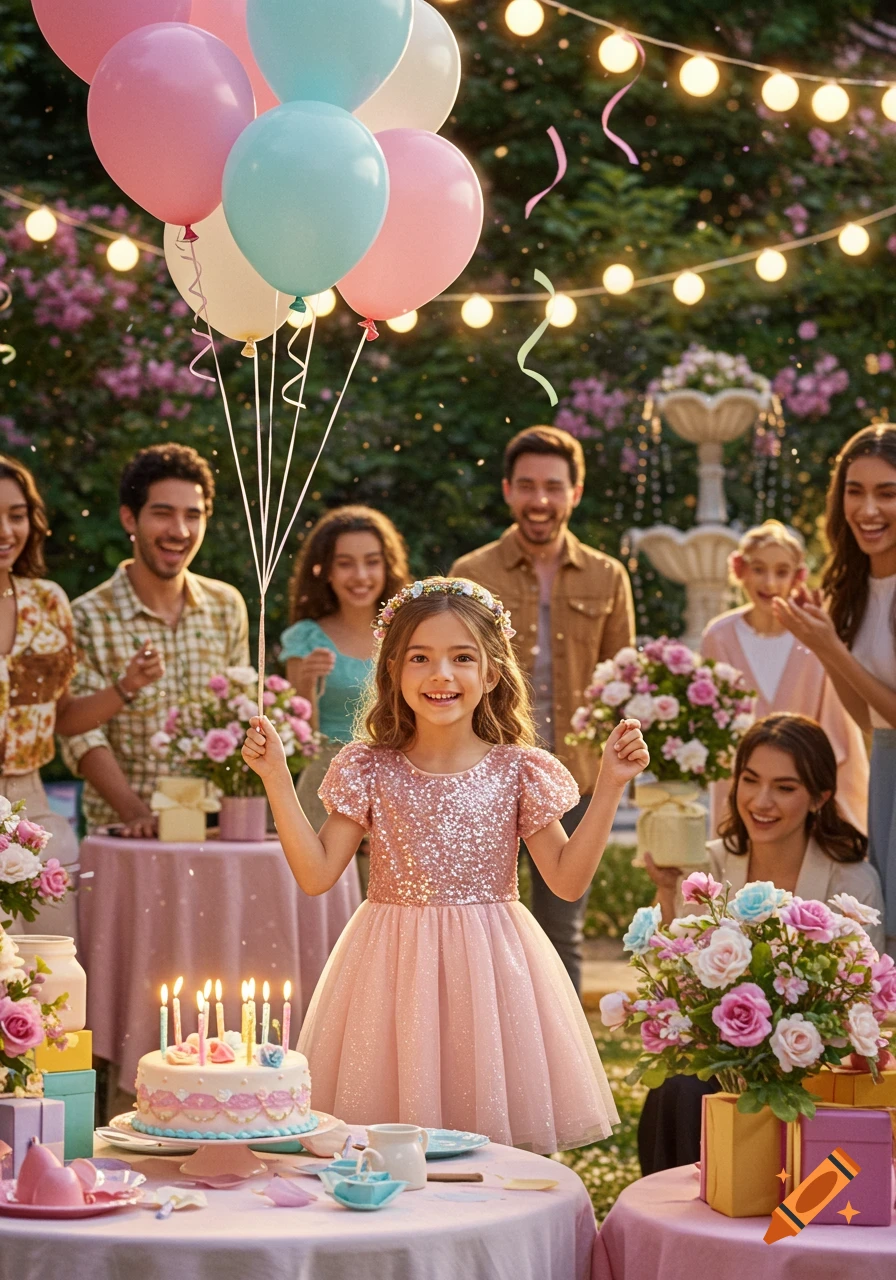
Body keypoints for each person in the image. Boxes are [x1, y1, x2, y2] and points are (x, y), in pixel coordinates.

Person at [242, 577, 649, 1153]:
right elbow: (315, 875)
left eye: (462, 657)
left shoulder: (519, 770)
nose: (441, 675)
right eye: (420, 658)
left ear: (490, 674)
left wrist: (608, 786)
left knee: (489, 1139)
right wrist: (276, 778)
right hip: (390, 969)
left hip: (492, 971)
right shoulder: (369, 768)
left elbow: (566, 878)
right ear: (392, 672)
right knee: (385, 1138)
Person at [638, 712, 884, 1176]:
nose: (761, 801)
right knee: (680, 1086)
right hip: (719, 1058)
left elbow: (858, 1005)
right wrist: (668, 892)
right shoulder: (706, 862)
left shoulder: (852, 881)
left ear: (820, 797)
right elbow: (676, 982)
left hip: (808, 1064)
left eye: (785, 787)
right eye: (750, 780)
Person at [450, 425, 635, 995]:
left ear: (575, 492)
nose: (540, 500)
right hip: (484, 774)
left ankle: (561, 1069)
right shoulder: (471, 574)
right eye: (526, 486)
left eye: (553, 487)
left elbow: (624, 680)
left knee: (561, 930)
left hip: (572, 778)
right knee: (474, 923)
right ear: (507, 490)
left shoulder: (608, 576)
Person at [0, 456, 162, 937]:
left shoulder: (48, 602)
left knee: (50, 967)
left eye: (16, 514)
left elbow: (64, 716)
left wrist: (125, 686)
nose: (7, 529)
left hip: (32, 803)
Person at [59, 444, 249, 836]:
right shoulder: (85, 616)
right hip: (124, 834)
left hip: (213, 829)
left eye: (192, 516)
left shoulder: (226, 605)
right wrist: (135, 814)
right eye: (163, 513)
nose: (179, 531)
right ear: (130, 518)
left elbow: (239, 714)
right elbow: (79, 733)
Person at [772, 425, 896, 957]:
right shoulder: (851, 587)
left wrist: (833, 648)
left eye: (887, 492)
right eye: (854, 490)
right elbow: (870, 720)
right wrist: (822, 644)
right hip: (888, 765)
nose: (867, 509)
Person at [702, 519, 868, 835]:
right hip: (742, 793)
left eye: (782, 571)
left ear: (798, 576)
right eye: (759, 569)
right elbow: (714, 730)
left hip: (804, 795)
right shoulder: (718, 637)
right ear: (740, 570)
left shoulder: (814, 634)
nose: (770, 582)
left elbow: (836, 726)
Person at [279, 506, 409, 859]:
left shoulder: (409, 637)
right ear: (325, 571)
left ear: (388, 566)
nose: (360, 575)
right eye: (345, 563)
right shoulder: (305, 639)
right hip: (324, 789)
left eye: (372, 561)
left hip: (397, 787)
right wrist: (306, 686)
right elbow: (298, 744)